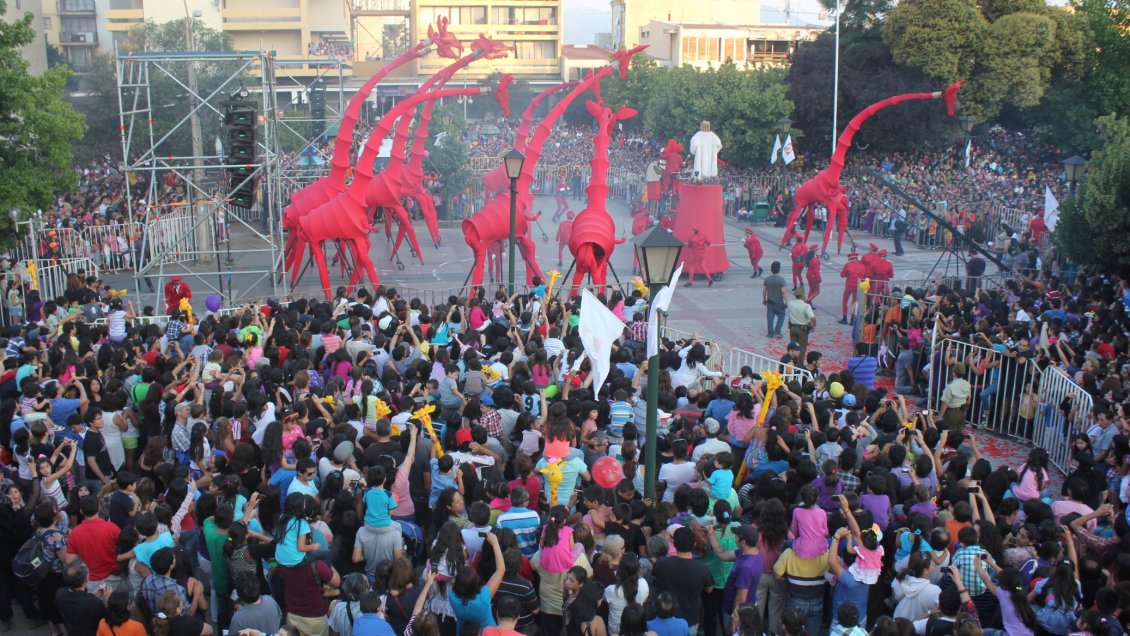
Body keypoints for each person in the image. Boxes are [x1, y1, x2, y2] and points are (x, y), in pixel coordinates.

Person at [55, 561, 109, 636]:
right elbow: (108, 619)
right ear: (86, 579)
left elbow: (77, 601)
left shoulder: (60, 593)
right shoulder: (94, 603)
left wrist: (92, 595)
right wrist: (107, 600)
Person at [786, 289, 815, 361]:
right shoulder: (806, 306)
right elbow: (813, 317)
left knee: (793, 346)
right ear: (803, 296)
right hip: (802, 330)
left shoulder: (791, 303)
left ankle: (792, 360)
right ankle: (799, 364)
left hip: (792, 328)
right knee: (802, 347)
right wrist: (814, 326)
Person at [839, 252, 866, 325]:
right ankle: (852, 320)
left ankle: (844, 318)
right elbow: (864, 276)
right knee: (854, 302)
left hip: (849, 285)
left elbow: (842, 275)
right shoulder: (862, 266)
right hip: (857, 285)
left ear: (850, 259)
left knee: (845, 301)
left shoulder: (847, 265)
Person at [762, 262, 787, 339]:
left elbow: (764, 290)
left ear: (771, 269)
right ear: (779, 269)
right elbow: (783, 292)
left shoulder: (767, 279)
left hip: (770, 301)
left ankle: (770, 333)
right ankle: (777, 331)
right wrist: (786, 302)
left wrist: (764, 299)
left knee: (770, 316)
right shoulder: (781, 280)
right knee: (781, 315)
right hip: (779, 302)